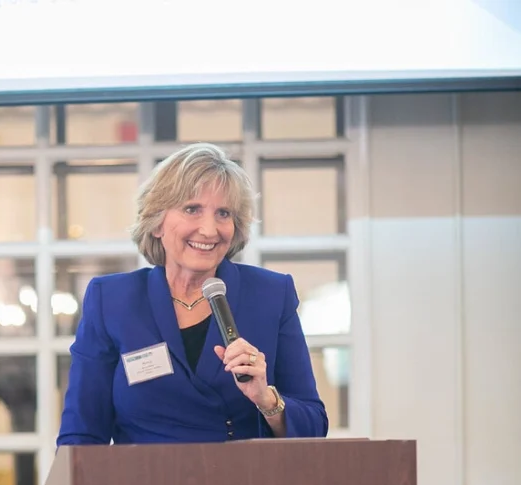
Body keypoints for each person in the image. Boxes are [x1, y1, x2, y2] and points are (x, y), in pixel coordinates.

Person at [57, 143, 328, 445]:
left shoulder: (270, 295)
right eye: (192, 209)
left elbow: (314, 427)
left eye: (223, 213)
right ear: (157, 222)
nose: (210, 230)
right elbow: (81, 433)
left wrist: (266, 398)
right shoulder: (112, 300)